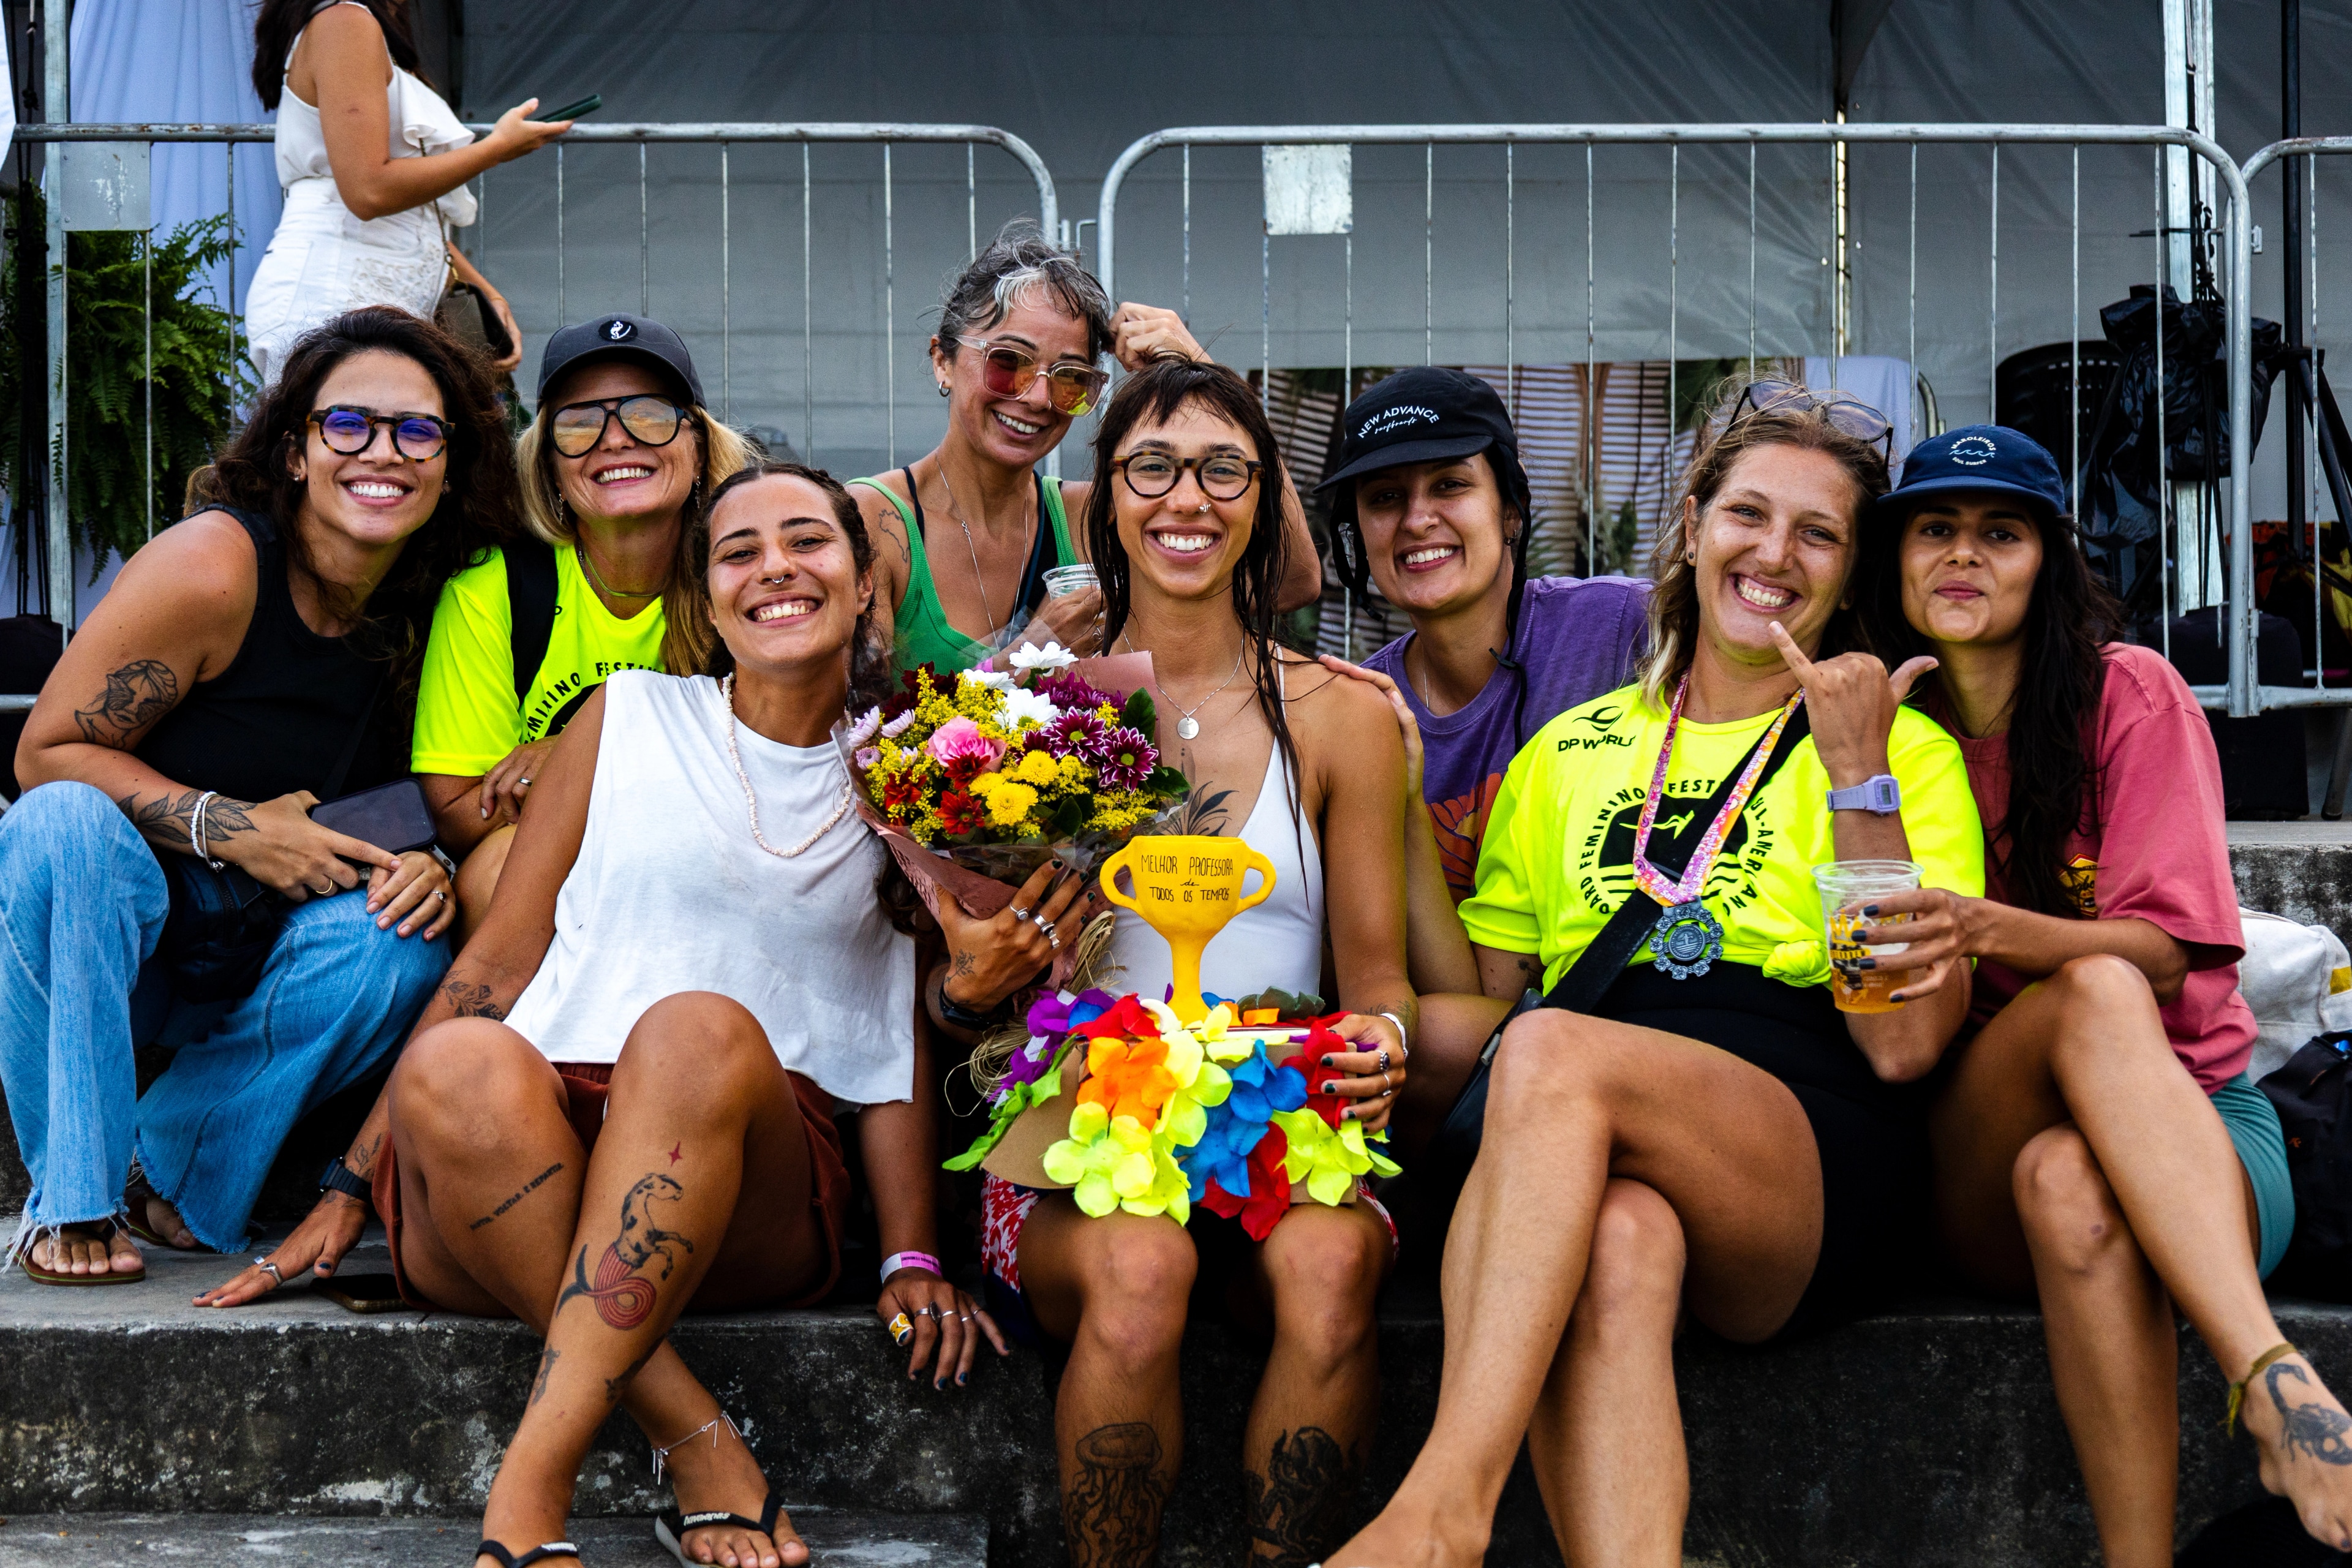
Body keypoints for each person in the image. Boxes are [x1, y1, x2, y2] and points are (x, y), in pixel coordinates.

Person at [199, 461, 988, 1568]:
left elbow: (889, 1034)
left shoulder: (917, 772)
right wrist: (346, 1182)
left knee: (692, 1029)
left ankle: (529, 1488)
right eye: (738, 551)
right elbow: (497, 960)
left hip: (747, 1167)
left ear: (865, 586)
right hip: (517, 1166)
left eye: (809, 542)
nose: (776, 569)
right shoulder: (626, 716)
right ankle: (700, 1441)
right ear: (705, 599)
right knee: (458, 1060)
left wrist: (908, 1252)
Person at [1324, 382, 1985, 1568]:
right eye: (1747, 513)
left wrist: (1855, 776)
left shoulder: (1901, 745)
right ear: (1693, 522)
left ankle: (1440, 1512)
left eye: (1818, 532)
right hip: (1597, 1113)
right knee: (1619, 1239)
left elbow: (1901, 1045)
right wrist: (1391, 776)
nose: (1773, 552)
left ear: (1849, 567)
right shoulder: (1568, 751)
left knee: (1548, 1048)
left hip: (1812, 1134)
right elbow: (1481, 999)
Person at [1850, 424, 2352, 1562]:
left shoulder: (2132, 694)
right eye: (1935, 530)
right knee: (2088, 1000)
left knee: (2073, 1168)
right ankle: (2270, 1376)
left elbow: (2171, 954)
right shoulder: (1872, 725)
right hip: (1967, 1136)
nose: (1964, 557)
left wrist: (1982, 927)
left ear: (2051, 561)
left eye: (2001, 533)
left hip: (2198, 1122)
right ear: (1895, 558)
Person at [946, 358, 1412, 1568]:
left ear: (1264, 499)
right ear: (1106, 501)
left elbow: (1381, 975)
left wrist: (1386, 1041)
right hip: (1070, 1137)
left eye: (1222, 468)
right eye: (1151, 467)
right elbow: (963, 966)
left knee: (1336, 1258)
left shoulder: (1340, 714)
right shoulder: (1034, 715)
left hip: (1275, 1115)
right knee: (1142, 1268)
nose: (1185, 498)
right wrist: (979, 970)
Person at [2, 306, 508, 1281]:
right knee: (59, 827)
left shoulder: (448, 596)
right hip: (118, 934)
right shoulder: (217, 565)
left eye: (418, 431)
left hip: (274, 947)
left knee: (399, 946)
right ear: (294, 452)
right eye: (348, 424)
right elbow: (44, 755)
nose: (384, 454)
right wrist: (231, 830)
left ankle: (166, 1169)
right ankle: (72, 1199)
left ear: (449, 462)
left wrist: (430, 863)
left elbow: (411, 787)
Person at [1314, 368, 1649, 1151]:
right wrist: (1399, 793)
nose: (1417, 519)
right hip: (1480, 1056)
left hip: (1647, 1021)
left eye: (1450, 484)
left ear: (1511, 509)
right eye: (1385, 497)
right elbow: (1451, 996)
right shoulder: (1364, 707)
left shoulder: (1621, 627)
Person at [850, 222, 1323, 675]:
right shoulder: (873, 522)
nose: (1037, 399)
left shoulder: (1085, 519)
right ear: (943, 362)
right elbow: (858, 739)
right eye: (1008, 364)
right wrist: (1025, 659)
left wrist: (1200, 370)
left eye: (1071, 379)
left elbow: (1291, 578)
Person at [412, 313, 755, 939]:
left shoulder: (745, 576)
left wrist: (581, 754)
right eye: (579, 423)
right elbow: (465, 815)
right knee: (494, 868)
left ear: (699, 445)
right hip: (559, 880)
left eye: (648, 413)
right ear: (548, 464)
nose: (616, 439)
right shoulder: (500, 589)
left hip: (720, 865)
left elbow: (770, 777)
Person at [245, 0, 567, 384]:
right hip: (333, 294)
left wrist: (483, 291)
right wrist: (495, 149)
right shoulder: (344, 20)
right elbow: (368, 192)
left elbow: (409, 210)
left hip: (368, 299)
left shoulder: (360, 25)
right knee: (344, 440)